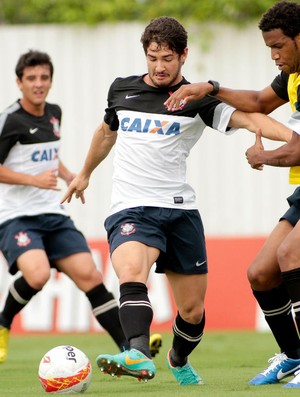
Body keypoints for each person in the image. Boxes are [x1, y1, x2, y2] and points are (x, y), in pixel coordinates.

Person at [61, 16, 294, 386]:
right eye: (152, 57)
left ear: (183, 56)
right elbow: (106, 132)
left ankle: (177, 356)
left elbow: (251, 119)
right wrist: (84, 173)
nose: (159, 66)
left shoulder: (195, 99)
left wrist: (292, 137)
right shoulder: (122, 90)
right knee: (131, 272)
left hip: (180, 211)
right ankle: (136, 352)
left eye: (167, 58)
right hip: (131, 206)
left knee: (192, 311)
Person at [164, 0, 300, 388]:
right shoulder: (292, 76)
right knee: (260, 274)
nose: (274, 55)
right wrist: (210, 88)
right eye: (268, 48)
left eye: (280, 46)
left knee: (291, 255)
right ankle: (293, 357)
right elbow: (258, 102)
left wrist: (264, 156)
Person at [0, 49, 162, 364]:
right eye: (31, 78)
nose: (39, 84)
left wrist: (69, 175)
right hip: (17, 217)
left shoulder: (54, 112)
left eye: (44, 77)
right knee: (37, 274)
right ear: (19, 82)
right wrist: (33, 181)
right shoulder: (11, 119)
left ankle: (130, 350)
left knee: (90, 275)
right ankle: (3, 324)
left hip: (53, 213)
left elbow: (47, 156)